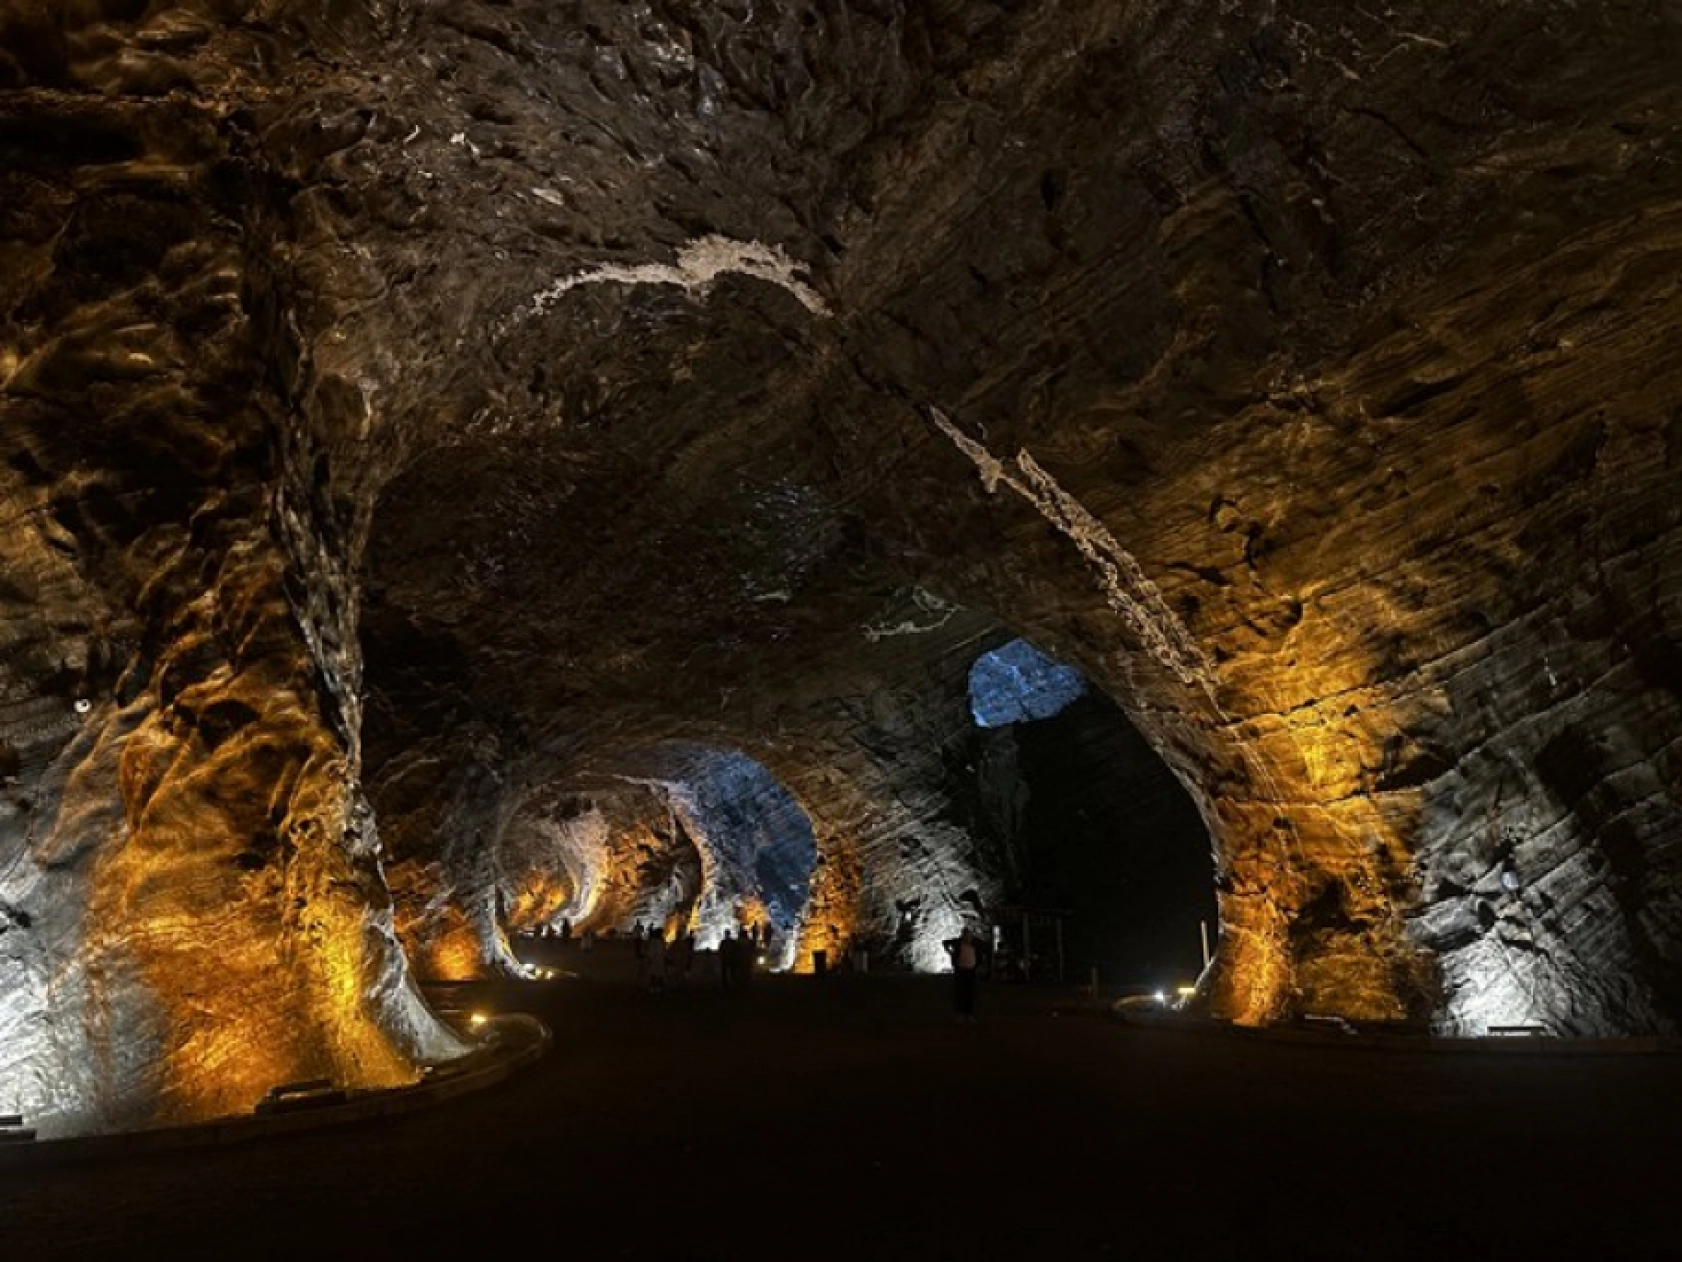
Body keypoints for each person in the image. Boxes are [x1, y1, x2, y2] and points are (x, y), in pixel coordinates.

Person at [944, 923, 982, 1021]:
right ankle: (960, 1013)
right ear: (962, 935)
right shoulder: (958, 942)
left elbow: (983, 949)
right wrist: (950, 953)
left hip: (971, 970)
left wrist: (979, 964)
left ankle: (969, 1013)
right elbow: (945, 942)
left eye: (969, 935)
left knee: (970, 993)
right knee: (960, 992)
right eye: (965, 935)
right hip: (960, 970)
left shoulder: (976, 943)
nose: (967, 937)